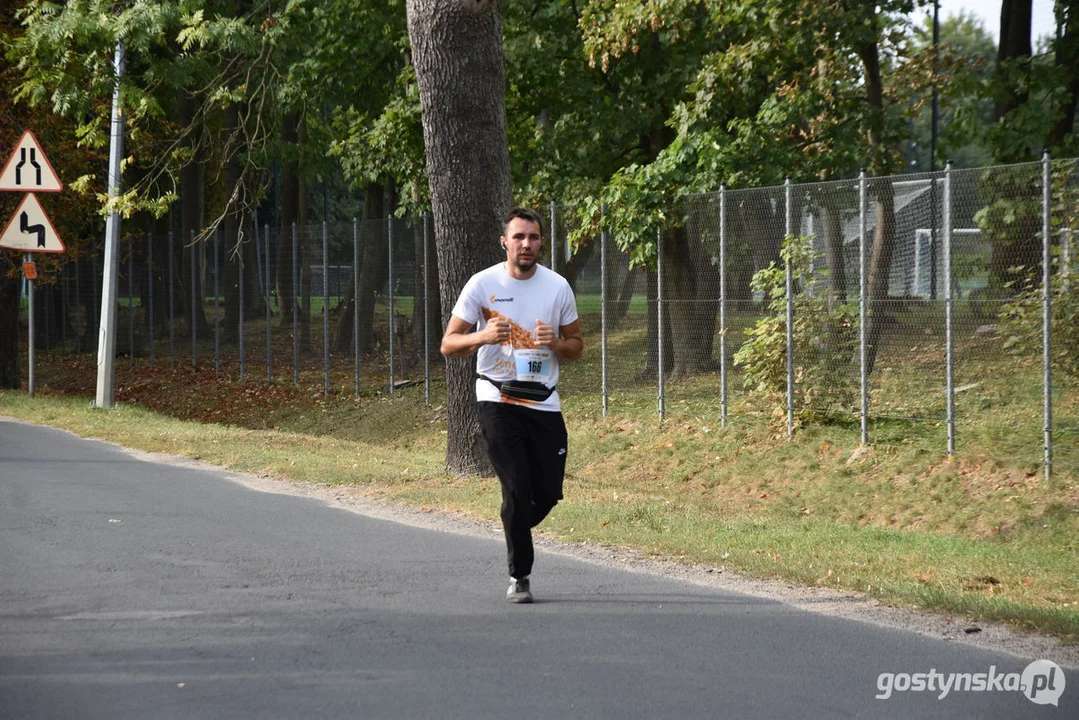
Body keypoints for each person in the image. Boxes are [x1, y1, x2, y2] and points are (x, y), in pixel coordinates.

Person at [441, 207, 583, 604]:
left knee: (548, 493)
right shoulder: (482, 284)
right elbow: (448, 344)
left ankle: (513, 518)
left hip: (543, 402)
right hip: (496, 397)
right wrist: (482, 336)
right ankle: (520, 574)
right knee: (518, 487)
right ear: (505, 241)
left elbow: (576, 347)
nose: (526, 244)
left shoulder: (557, 288)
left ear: (541, 242)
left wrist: (554, 343)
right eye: (518, 237)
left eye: (533, 237)